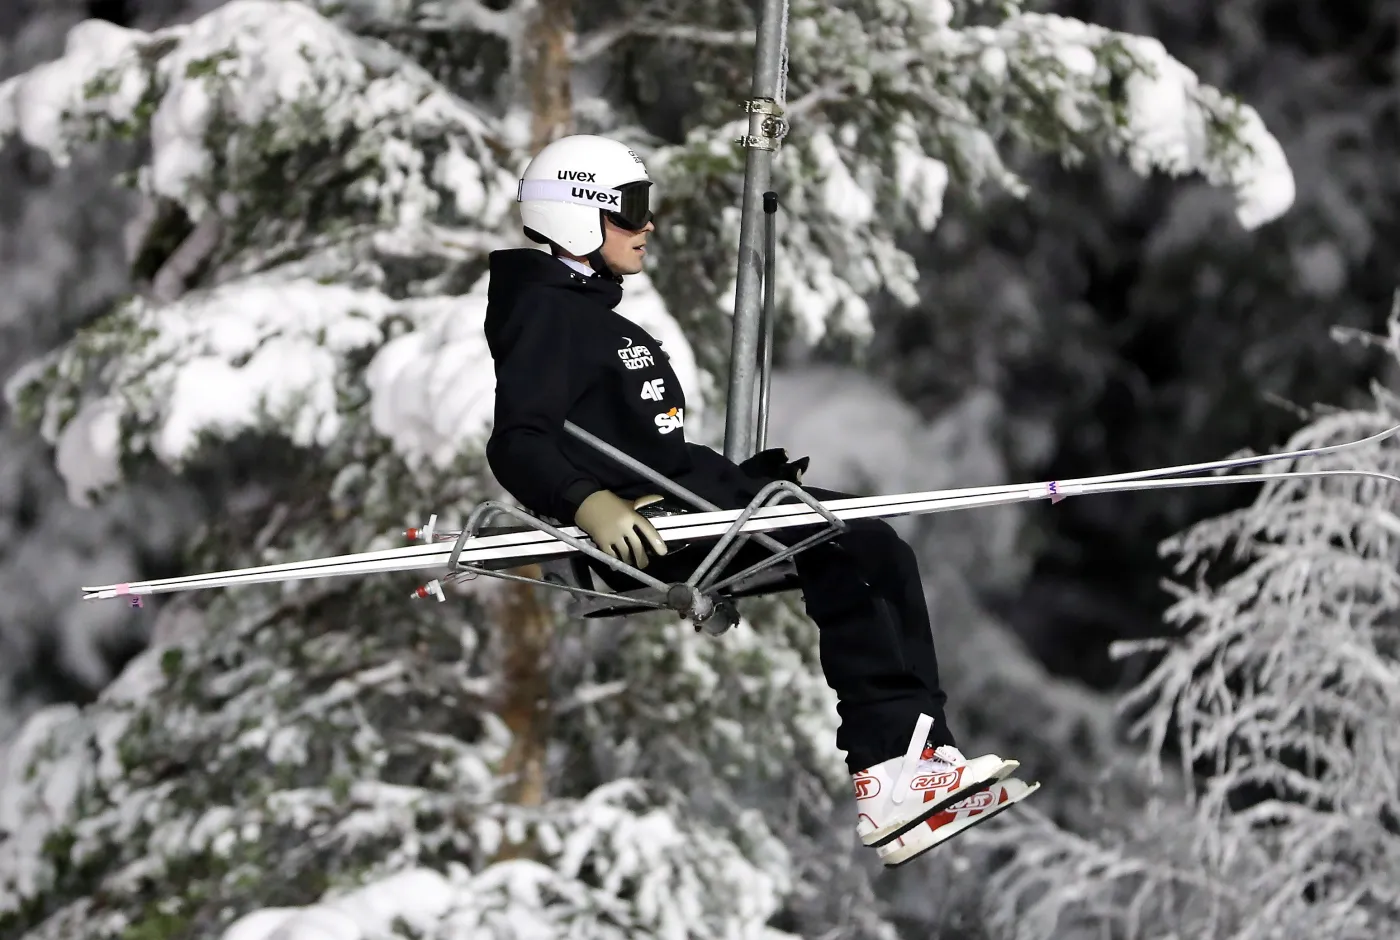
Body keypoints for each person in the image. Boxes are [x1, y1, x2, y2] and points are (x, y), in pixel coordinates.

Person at [483, 134, 1037, 865]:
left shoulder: (585, 311)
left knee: (869, 544)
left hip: (689, 502)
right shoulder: (545, 312)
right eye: (632, 210)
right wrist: (588, 503)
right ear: (579, 215)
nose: (648, 226)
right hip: (648, 526)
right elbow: (518, 440)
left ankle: (917, 763)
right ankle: (898, 770)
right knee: (855, 547)